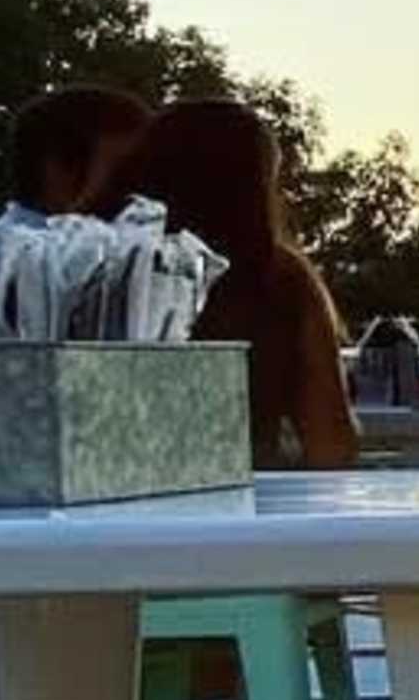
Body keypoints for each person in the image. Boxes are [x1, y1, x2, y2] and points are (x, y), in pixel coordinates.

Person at [114, 97, 358, 470]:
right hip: (244, 505)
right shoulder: (281, 280)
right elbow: (331, 443)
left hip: (117, 501)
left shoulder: (107, 266)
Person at [0, 79, 153, 337]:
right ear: (58, 171)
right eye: (124, 168)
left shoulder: (17, 245)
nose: (143, 187)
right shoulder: (50, 264)